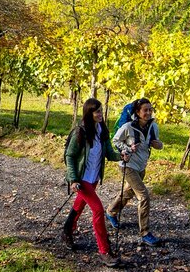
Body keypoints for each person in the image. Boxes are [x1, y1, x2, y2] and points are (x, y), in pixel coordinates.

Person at [62, 98, 126, 268]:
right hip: (82, 179)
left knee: (80, 205)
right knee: (98, 210)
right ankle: (104, 251)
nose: (100, 114)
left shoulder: (102, 130)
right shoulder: (80, 131)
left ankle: (67, 230)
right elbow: (70, 156)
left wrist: (122, 156)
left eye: (101, 110)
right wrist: (73, 179)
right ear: (89, 113)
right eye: (97, 111)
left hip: (94, 178)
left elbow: (109, 154)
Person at [106, 98, 164, 246]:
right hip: (128, 165)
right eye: (145, 110)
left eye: (150, 109)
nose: (149, 112)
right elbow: (116, 141)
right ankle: (145, 233)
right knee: (143, 196)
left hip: (141, 166)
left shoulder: (153, 126)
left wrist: (158, 145)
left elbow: (158, 144)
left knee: (128, 192)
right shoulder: (128, 127)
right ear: (138, 112)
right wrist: (127, 149)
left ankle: (111, 211)